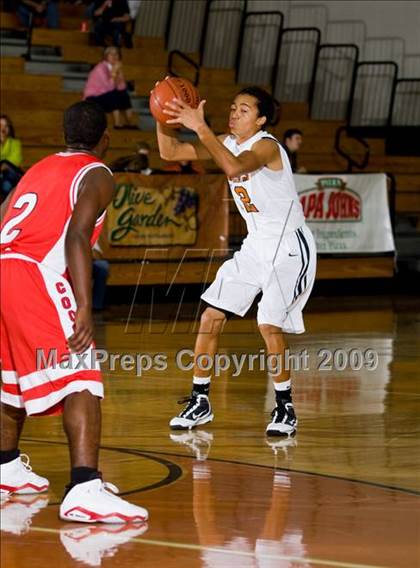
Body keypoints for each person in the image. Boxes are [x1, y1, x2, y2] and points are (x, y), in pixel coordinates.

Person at [0, 101, 148, 523]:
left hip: (3, 267)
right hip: (35, 274)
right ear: (106, 137)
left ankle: (5, 468)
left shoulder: (37, 168)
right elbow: (78, 235)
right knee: (81, 373)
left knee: (12, 376)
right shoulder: (97, 173)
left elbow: (2, 217)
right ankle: (84, 488)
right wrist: (85, 305)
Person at [156, 86, 316, 437]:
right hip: (256, 244)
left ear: (260, 120)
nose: (234, 113)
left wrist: (200, 127)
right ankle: (200, 400)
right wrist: (162, 117)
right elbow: (168, 152)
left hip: (289, 244)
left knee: (268, 325)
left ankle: (285, 406)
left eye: (243, 110)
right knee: (211, 316)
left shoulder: (267, 145)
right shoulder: (227, 141)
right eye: (232, 107)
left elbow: (232, 168)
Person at [84, 46, 137, 129]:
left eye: (116, 54)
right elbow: (109, 87)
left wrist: (119, 73)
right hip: (93, 97)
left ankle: (130, 123)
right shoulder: (100, 68)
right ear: (106, 56)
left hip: (107, 94)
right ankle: (117, 123)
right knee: (114, 95)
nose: (114, 56)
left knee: (124, 95)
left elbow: (122, 87)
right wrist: (114, 72)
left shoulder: (114, 67)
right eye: (111, 54)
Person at [0, 115, 24, 199]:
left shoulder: (15, 143)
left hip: (10, 173)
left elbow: (15, 161)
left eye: (6, 126)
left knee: (6, 185)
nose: (2, 129)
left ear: (9, 129)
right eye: (0, 125)